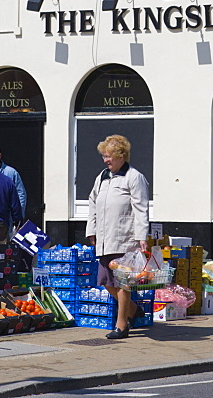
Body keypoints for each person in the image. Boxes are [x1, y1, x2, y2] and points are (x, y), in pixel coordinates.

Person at [86, 134, 149, 340]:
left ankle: (121, 325)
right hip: (105, 238)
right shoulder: (102, 177)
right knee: (105, 280)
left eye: (109, 156)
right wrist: (91, 230)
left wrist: (141, 237)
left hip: (125, 238)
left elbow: (141, 208)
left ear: (121, 156)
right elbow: (93, 205)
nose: (106, 160)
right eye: (104, 156)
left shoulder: (134, 177)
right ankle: (133, 310)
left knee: (123, 282)